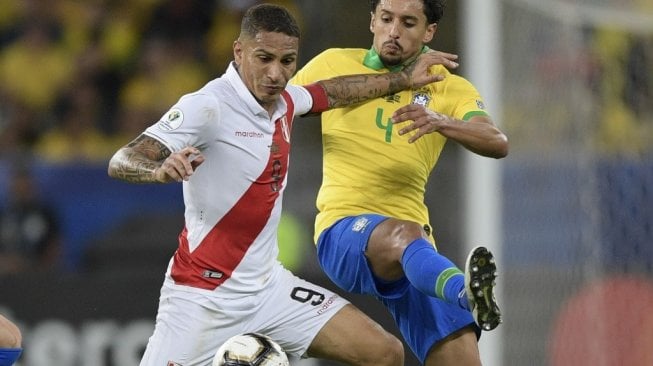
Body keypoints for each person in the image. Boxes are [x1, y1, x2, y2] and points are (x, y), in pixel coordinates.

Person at [107, 4, 460, 365]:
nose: (276, 73)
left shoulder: (286, 102)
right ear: (239, 51)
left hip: (269, 290)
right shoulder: (207, 106)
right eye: (264, 58)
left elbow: (335, 91)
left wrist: (404, 79)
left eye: (287, 61)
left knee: (384, 353)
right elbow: (122, 158)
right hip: (203, 297)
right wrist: (158, 170)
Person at [291, 0, 508, 365]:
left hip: (419, 255)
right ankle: (465, 293)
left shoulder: (448, 87)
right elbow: (280, 106)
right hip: (343, 230)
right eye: (387, 19)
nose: (394, 31)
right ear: (372, 21)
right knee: (403, 234)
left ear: (429, 32)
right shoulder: (334, 63)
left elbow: (497, 142)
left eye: (408, 23)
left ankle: (458, 291)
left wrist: (441, 121)